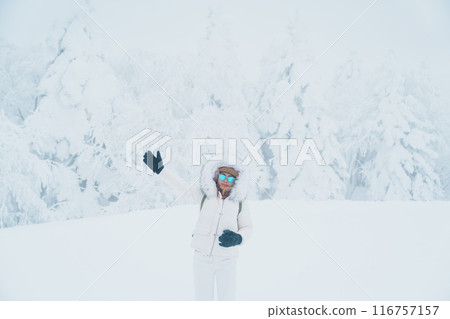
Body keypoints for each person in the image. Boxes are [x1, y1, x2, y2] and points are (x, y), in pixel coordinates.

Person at [143, 150, 252, 301]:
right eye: (222, 176)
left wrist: (238, 238)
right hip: (202, 257)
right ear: (215, 176)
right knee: (202, 299)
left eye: (230, 177)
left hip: (227, 259)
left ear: (236, 181)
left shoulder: (239, 203)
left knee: (227, 299)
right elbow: (182, 186)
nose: (225, 180)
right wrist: (162, 170)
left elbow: (247, 227)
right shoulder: (205, 196)